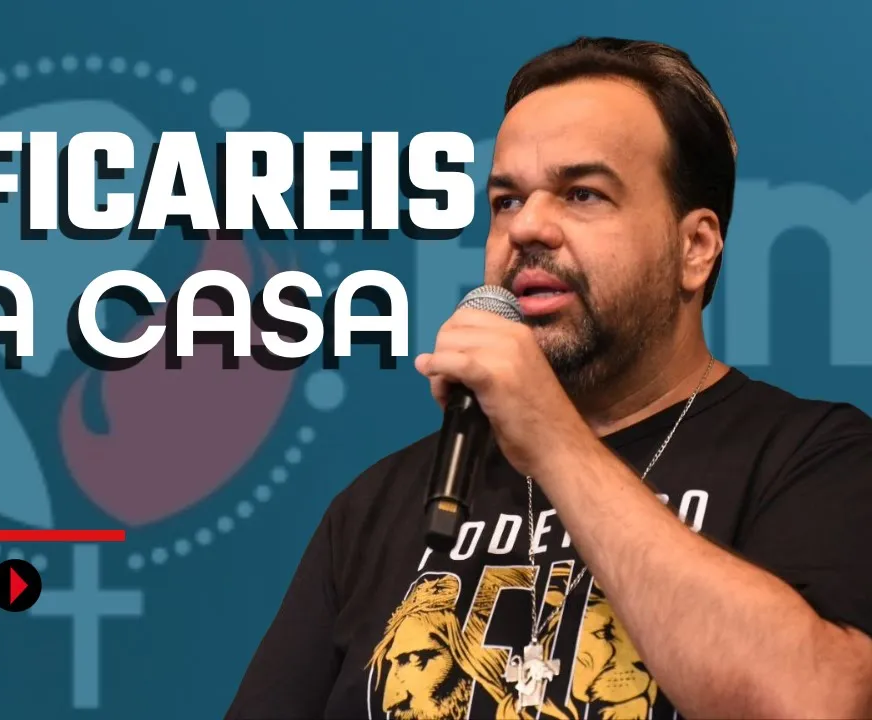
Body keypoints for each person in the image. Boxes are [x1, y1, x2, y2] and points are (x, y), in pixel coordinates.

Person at [224, 37, 872, 720]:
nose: (527, 227)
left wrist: (554, 441)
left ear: (695, 248)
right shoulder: (381, 504)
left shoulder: (813, 460)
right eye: (506, 201)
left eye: (583, 193)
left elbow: (816, 703)